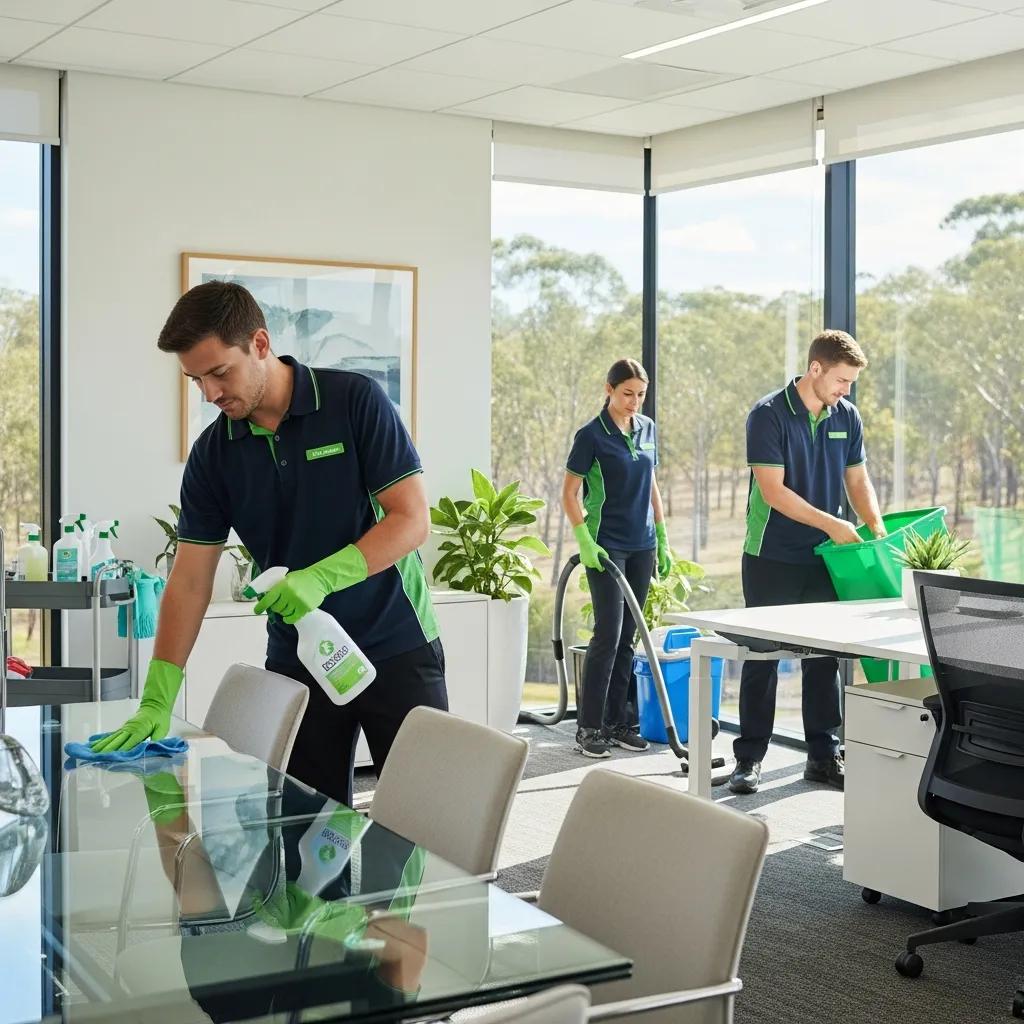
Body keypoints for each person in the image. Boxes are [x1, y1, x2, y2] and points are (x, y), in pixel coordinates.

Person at [92, 281, 447, 806]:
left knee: (420, 827)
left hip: (396, 645)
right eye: (195, 380)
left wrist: (321, 577)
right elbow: (190, 582)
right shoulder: (214, 455)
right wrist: (156, 698)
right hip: (298, 660)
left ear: (260, 344)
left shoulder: (352, 401)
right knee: (304, 835)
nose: (210, 394)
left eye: (219, 372)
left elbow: (411, 519)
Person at [729, 329, 884, 795]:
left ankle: (822, 756)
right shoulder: (768, 415)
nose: (845, 390)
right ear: (815, 369)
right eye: (841, 380)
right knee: (763, 656)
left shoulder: (846, 416)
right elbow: (773, 492)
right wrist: (833, 525)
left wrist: (875, 530)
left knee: (825, 658)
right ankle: (750, 759)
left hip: (826, 559)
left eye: (850, 383)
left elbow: (857, 480)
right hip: (771, 554)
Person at [562, 358, 672, 759]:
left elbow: (652, 484)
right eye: (627, 394)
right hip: (606, 545)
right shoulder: (591, 435)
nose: (634, 402)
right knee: (608, 634)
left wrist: (661, 535)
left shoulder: (647, 430)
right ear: (608, 390)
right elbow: (569, 493)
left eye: (640, 395)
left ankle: (620, 722)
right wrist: (584, 540)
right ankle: (588, 728)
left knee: (630, 635)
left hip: (642, 544)